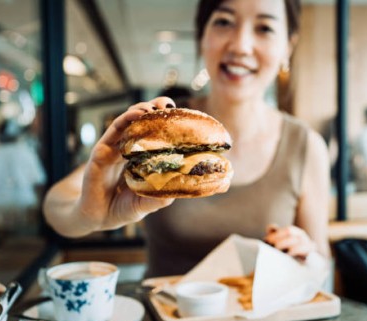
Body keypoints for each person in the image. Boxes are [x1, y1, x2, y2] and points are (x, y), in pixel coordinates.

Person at [43, 0, 331, 277]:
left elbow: (321, 261)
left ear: (288, 46)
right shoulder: (158, 127)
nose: (241, 45)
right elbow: (55, 207)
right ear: (202, 36)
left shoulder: (305, 146)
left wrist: (307, 257)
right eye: (224, 22)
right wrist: (90, 214)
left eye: (264, 28)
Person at [0, 118, 46, 248]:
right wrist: (41, 207)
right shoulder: (27, 154)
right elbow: (39, 182)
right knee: (23, 249)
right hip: (24, 207)